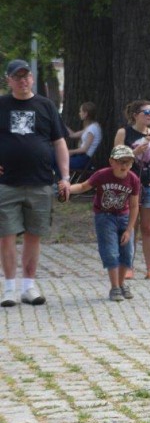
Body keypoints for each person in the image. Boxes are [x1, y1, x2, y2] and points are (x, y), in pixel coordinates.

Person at [0, 59, 71, 307]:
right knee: (6, 236)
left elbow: (59, 142)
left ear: (31, 78)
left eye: (26, 76)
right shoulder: (1, 105)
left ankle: (28, 286)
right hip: (6, 182)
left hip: (41, 181)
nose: (23, 81)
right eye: (17, 77)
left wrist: (65, 177)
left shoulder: (46, 106)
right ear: (8, 80)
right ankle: (8, 287)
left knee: (34, 235)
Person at [68, 145, 140, 301]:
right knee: (110, 251)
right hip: (104, 216)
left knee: (127, 252)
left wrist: (129, 229)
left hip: (124, 217)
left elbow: (134, 205)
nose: (124, 166)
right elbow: (83, 186)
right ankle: (114, 287)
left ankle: (121, 284)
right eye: (121, 162)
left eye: (128, 163)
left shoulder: (133, 179)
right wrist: (68, 188)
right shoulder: (102, 175)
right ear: (111, 162)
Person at [114, 100, 150, 280]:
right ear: (136, 114)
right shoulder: (124, 132)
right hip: (129, 186)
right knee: (130, 226)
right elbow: (115, 157)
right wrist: (135, 153)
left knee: (147, 228)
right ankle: (128, 266)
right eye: (146, 111)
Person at [66, 101, 103, 170]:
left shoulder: (92, 129)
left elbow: (84, 149)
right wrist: (60, 124)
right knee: (57, 159)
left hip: (84, 160)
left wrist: (70, 151)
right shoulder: (91, 127)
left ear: (85, 114)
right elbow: (72, 135)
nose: (79, 113)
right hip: (81, 158)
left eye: (81, 111)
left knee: (58, 161)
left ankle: (63, 180)